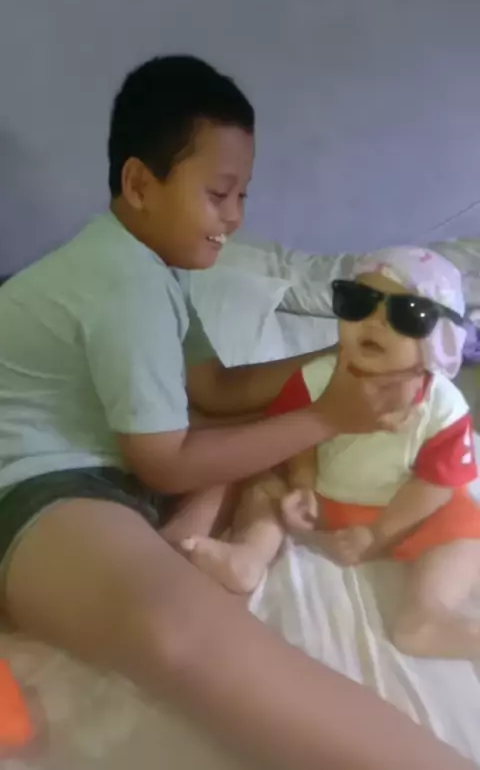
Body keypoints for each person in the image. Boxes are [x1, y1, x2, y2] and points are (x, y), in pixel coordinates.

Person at [0, 55, 473, 770]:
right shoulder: (120, 280)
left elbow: (217, 388)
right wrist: (330, 417)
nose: (235, 218)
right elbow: (163, 463)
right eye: (219, 194)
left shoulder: (157, 272)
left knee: (254, 441)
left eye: (242, 196)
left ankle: (179, 549)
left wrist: (344, 360)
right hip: (35, 484)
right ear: (139, 183)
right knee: (177, 630)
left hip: (108, 468)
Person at [184, 247, 480, 659]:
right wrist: (303, 482)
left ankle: (426, 614)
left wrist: (378, 534)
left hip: (406, 511)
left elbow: (436, 483)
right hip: (325, 498)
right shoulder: (315, 378)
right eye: (359, 303)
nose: (374, 321)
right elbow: (296, 437)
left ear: (441, 338)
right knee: (262, 483)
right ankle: (250, 556)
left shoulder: (445, 407)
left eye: (406, 313)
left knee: (465, 523)